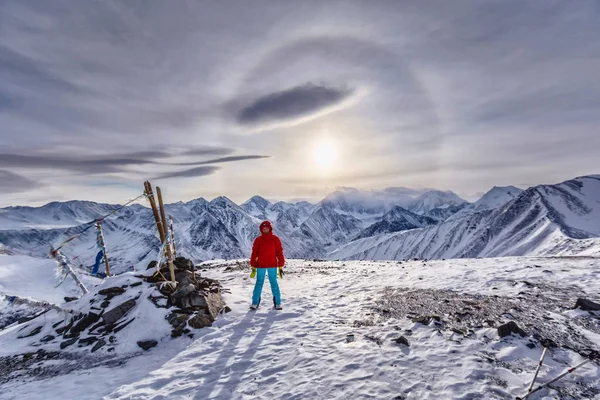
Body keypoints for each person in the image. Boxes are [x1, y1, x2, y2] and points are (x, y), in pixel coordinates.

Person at [249, 220, 285, 310]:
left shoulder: (275, 239)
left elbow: (279, 252)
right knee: (259, 283)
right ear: (261, 230)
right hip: (260, 265)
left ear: (270, 229)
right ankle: (255, 302)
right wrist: (253, 266)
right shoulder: (258, 240)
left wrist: (281, 265)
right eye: (263, 229)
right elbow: (254, 253)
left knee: (274, 283)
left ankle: (278, 302)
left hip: (272, 265)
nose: (265, 230)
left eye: (266, 228)